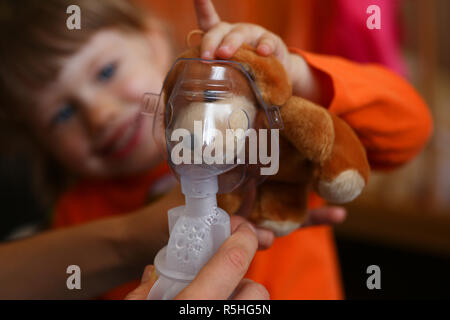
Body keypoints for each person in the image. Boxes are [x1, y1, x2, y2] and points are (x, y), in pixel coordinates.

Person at [0, 0, 431, 300]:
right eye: (61, 114)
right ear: (39, 142)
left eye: (107, 71)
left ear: (154, 39)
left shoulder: (263, 133)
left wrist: (296, 75)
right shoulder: (77, 219)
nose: (99, 114)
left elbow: (410, 130)